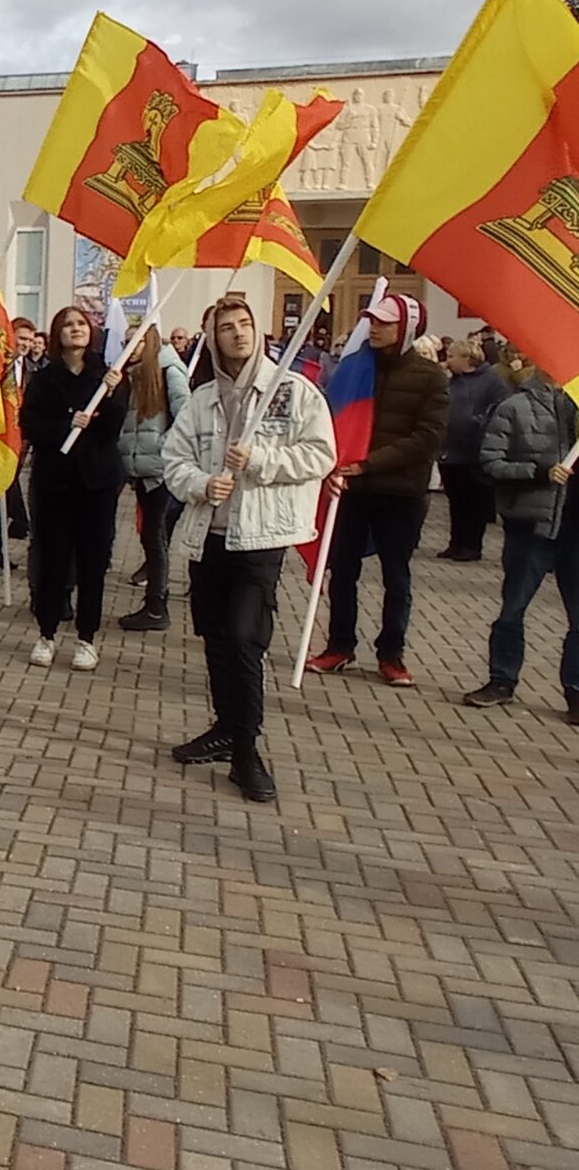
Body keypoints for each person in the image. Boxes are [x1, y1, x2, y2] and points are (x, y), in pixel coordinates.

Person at [162, 295, 336, 803]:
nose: (237, 334)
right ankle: (224, 727)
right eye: (226, 327)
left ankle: (246, 750)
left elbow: (320, 453)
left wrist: (259, 459)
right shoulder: (202, 400)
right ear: (212, 338)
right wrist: (199, 483)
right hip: (210, 535)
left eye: (245, 325)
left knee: (243, 638)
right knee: (216, 637)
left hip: (260, 537)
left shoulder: (292, 392)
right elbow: (174, 459)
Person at [308, 293, 447, 686]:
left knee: (396, 578)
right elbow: (334, 418)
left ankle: (391, 654)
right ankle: (339, 645)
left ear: (406, 328)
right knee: (342, 571)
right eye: (373, 321)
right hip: (353, 489)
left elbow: (427, 437)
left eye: (385, 322)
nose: (375, 328)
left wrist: (370, 462)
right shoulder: (357, 368)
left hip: (400, 494)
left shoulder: (430, 375)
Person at [463, 362, 578, 721]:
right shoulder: (515, 406)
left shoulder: (575, 407)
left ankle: (576, 691)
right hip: (532, 526)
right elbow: (490, 464)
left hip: (575, 529)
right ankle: (501, 679)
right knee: (513, 609)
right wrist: (538, 473)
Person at [21, 307, 127, 670]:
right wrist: (66, 423)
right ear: (57, 334)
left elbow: (112, 429)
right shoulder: (44, 378)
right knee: (53, 559)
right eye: (68, 325)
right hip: (55, 481)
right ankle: (46, 633)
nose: (75, 330)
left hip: (97, 482)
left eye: (81, 324)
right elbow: (31, 424)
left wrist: (111, 397)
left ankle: (87, 638)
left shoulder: (107, 376)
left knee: (92, 561)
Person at [115, 324, 191, 632]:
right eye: (125, 340)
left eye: (135, 340)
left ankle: (157, 605)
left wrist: (163, 450)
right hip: (142, 469)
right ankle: (154, 602)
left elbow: (185, 417)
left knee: (155, 536)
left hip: (159, 470)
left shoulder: (169, 370)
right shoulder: (133, 374)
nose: (129, 346)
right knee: (150, 535)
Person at [437, 337, 510, 561]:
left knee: (474, 502)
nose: (447, 361)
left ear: (467, 358)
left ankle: (472, 544)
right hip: (450, 449)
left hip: (474, 451)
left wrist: (480, 421)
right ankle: (456, 542)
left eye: (451, 357)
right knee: (455, 499)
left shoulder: (491, 380)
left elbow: (502, 406)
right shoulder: (452, 380)